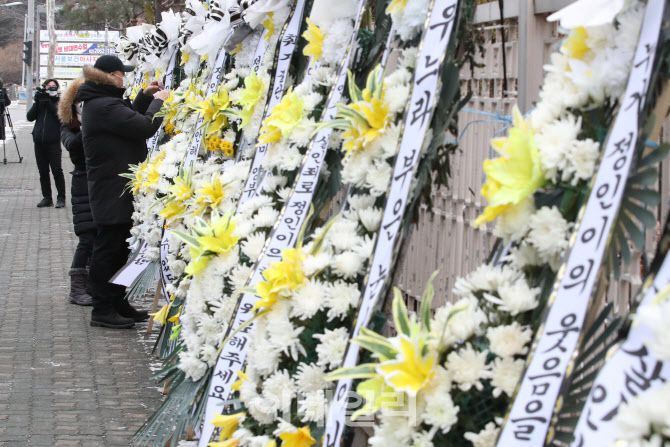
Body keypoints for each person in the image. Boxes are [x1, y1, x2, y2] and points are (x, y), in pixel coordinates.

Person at [76, 55, 169, 329]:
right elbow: (144, 127)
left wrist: (144, 97)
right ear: (110, 76)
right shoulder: (103, 105)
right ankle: (102, 308)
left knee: (119, 249)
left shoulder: (102, 101)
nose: (123, 78)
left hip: (115, 185)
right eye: (121, 74)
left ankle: (117, 301)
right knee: (108, 249)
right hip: (111, 187)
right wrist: (159, 101)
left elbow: (127, 119)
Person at [57, 77, 95, 306]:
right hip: (82, 184)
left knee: (99, 236)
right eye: (80, 100)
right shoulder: (67, 124)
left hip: (100, 183)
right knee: (87, 236)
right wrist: (88, 124)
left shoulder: (97, 118)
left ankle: (91, 284)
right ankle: (77, 288)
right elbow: (72, 145)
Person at [27, 79, 66, 208]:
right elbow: (30, 117)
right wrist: (37, 102)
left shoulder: (60, 101)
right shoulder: (41, 100)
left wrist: (48, 101)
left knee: (57, 171)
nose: (51, 88)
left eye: (54, 86)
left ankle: (61, 198)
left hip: (53, 142)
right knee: (43, 171)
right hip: (39, 142)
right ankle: (47, 198)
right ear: (44, 88)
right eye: (49, 86)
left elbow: (59, 116)